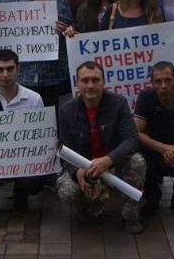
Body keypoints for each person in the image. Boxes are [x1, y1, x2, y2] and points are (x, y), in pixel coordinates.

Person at [57, 61, 146, 234]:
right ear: (77, 83)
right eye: (85, 80)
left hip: (114, 162)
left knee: (137, 162)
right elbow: (65, 149)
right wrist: (77, 172)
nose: (90, 85)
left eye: (95, 80)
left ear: (103, 82)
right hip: (86, 166)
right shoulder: (66, 110)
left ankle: (130, 214)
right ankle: (87, 206)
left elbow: (132, 139)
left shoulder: (118, 103)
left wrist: (108, 160)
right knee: (67, 191)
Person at [0, 49, 45, 220]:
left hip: (23, 157)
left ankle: (21, 196)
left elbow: (39, 135)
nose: (5, 74)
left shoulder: (34, 99)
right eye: (0, 69)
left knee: (40, 170)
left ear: (18, 68)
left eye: (10, 69)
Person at [0, 0, 74, 107]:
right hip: (23, 77)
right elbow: (1, 32)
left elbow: (70, 30)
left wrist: (66, 30)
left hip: (54, 76)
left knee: (53, 123)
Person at [133, 61, 174, 215]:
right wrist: (163, 148)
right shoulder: (145, 97)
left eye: (167, 80)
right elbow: (136, 133)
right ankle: (152, 195)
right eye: (158, 81)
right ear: (151, 83)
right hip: (154, 153)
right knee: (135, 160)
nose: (163, 86)